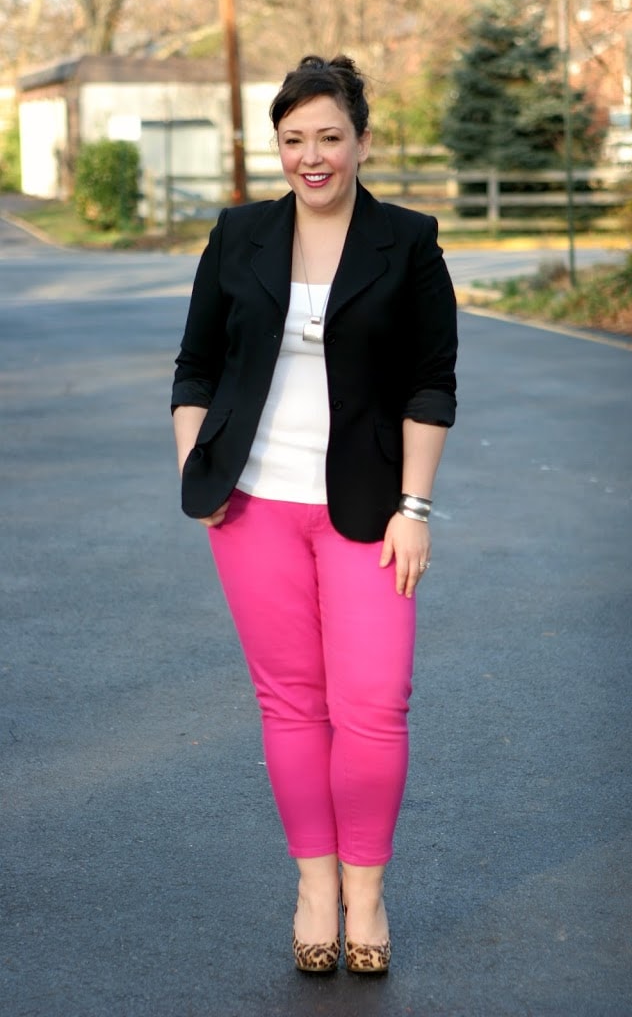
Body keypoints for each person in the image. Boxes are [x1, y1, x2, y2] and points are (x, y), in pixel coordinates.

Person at [171, 54, 458, 975]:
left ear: (363, 141)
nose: (312, 156)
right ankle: (314, 885)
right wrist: (198, 465)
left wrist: (416, 505)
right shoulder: (238, 235)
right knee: (291, 705)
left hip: (368, 513)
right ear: (277, 148)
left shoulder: (408, 241)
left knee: (373, 705)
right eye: (293, 140)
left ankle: (366, 894)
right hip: (252, 507)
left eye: (329, 137)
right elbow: (195, 366)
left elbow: (430, 383)